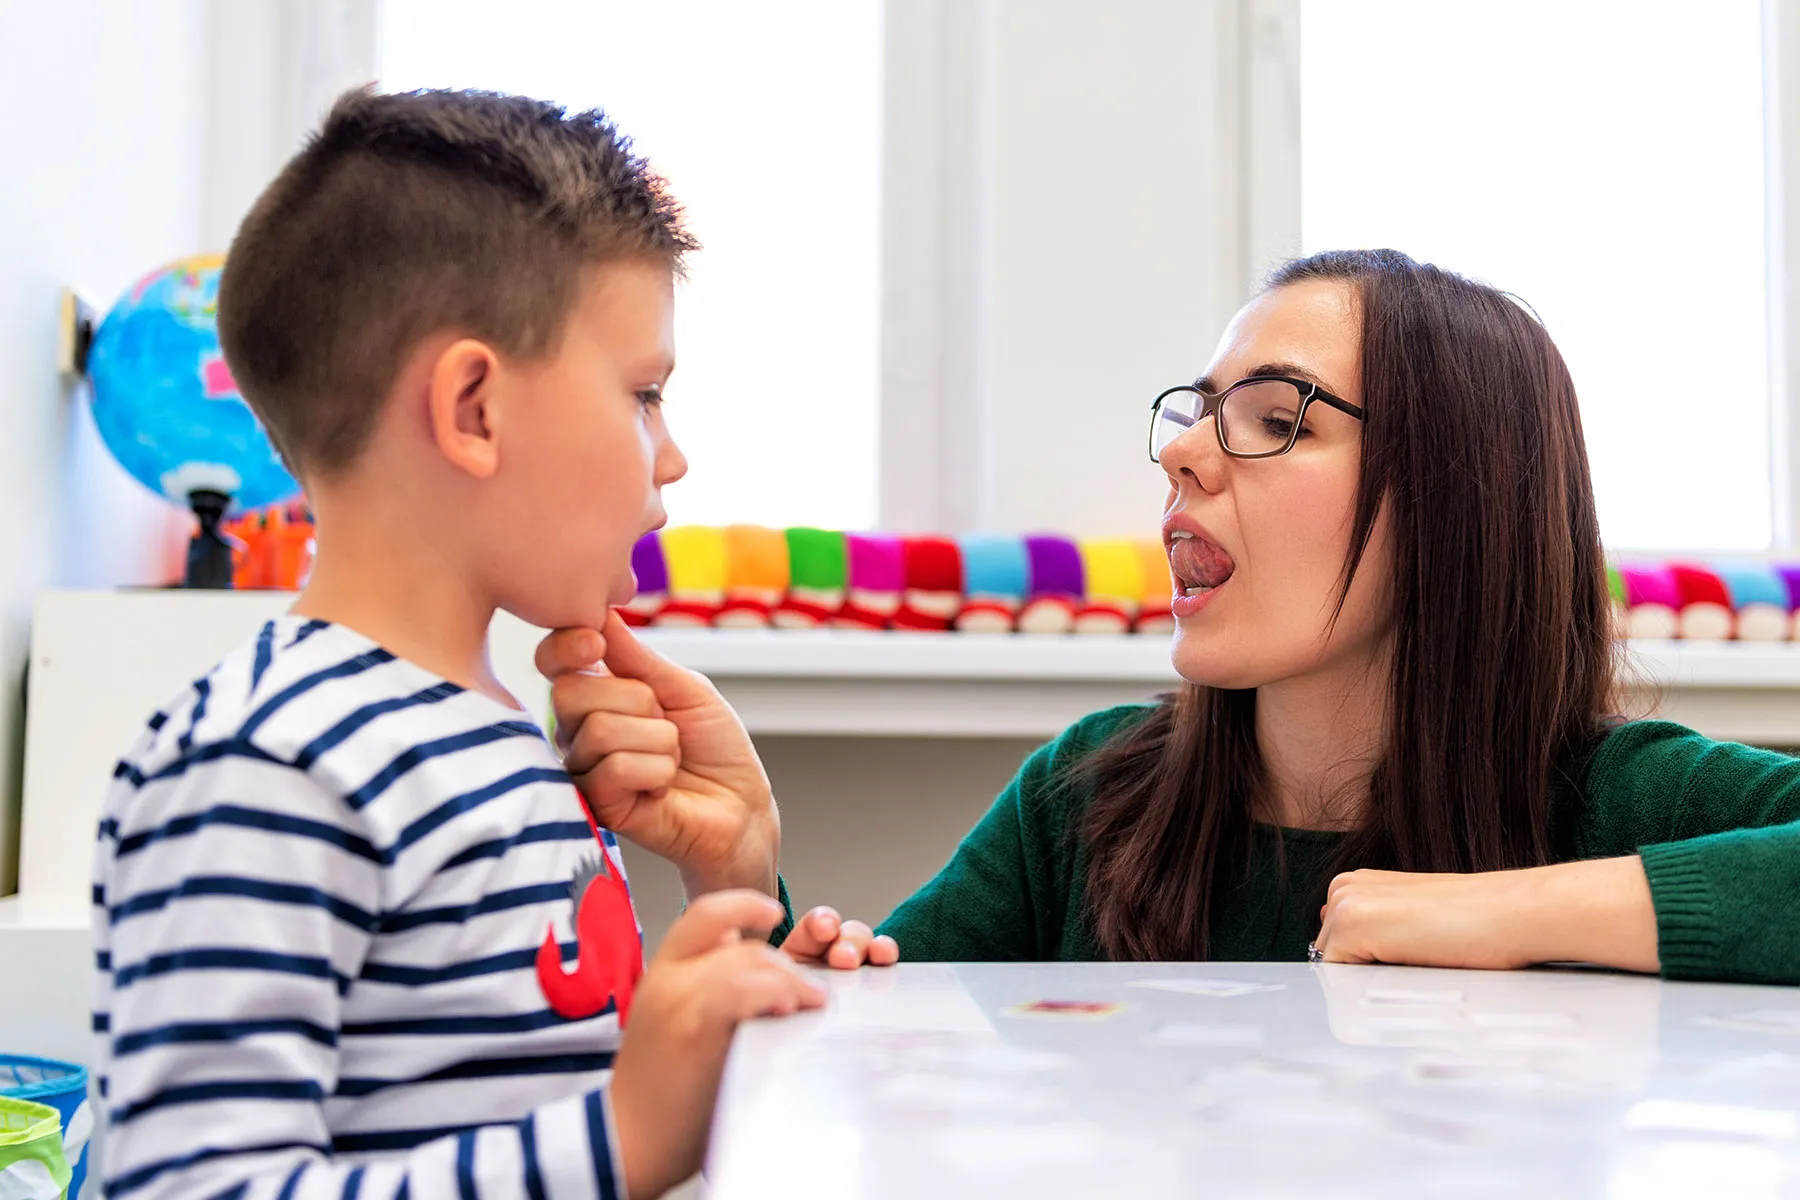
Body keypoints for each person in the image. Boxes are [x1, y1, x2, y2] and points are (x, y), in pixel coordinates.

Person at [549, 248, 1800, 984]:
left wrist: (1499, 913)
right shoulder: (1086, 796)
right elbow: (861, 1061)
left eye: (1273, 418)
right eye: (1196, 413)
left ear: (1456, 501)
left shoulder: (1610, 798)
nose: (1186, 456)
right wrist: (743, 871)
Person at [92, 87, 888, 1200]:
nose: (674, 457)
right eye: (645, 395)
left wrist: (734, 1009)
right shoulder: (265, 767)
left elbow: (510, 1097)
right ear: (473, 408)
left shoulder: (506, 739)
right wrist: (627, 1136)